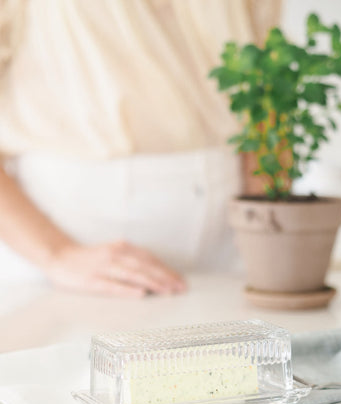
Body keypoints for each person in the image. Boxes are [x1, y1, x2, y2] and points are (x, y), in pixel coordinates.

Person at [0, 0, 281, 296]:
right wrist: (58, 255)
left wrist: (270, 225)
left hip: (231, 248)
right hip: (76, 258)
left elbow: (268, 86)